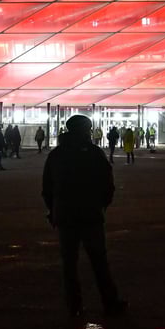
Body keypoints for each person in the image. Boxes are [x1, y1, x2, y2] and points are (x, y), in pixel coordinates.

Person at [42, 115, 127, 318]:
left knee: (69, 263)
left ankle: (74, 305)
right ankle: (110, 302)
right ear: (85, 130)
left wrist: (54, 209)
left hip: (65, 216)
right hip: (90, 214)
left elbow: (47, 187)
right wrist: (101, 205)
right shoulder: (94, 153)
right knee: (99, 261)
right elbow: (108, 182)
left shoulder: (57, 154)